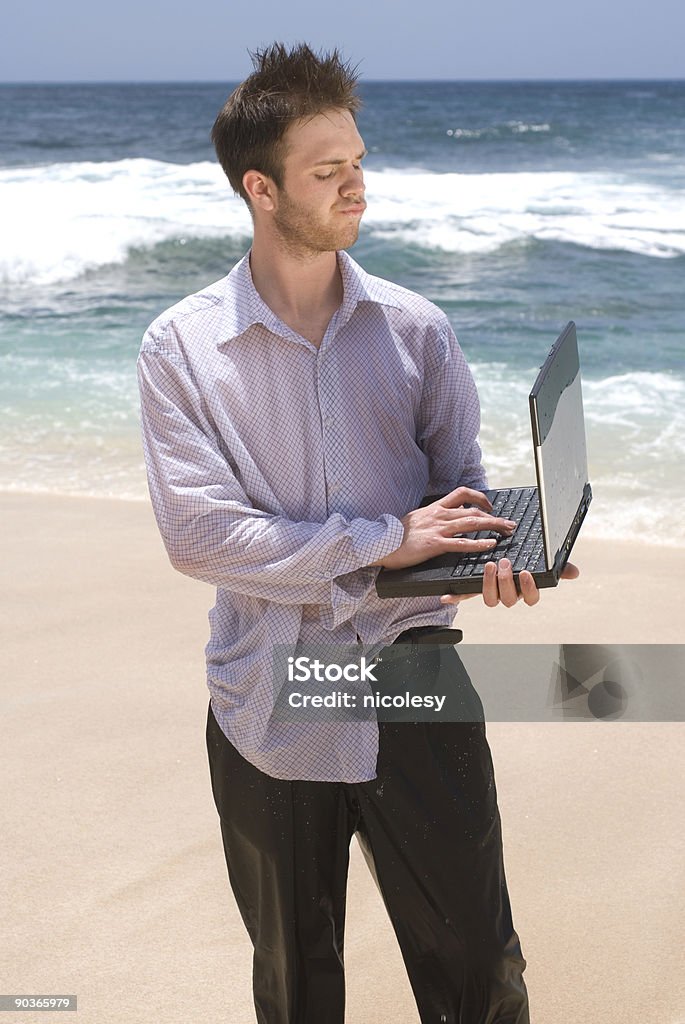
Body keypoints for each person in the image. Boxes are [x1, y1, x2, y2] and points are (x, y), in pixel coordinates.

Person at [137, 43, 578, 1024]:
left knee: (479, 974)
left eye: (360, 163)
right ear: (261, 188)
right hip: (268, 695)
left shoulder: (418, 329)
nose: (356, 189)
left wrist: (493, 559)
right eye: (327, 172)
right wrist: (381, 540)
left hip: (412, 673)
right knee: (297, 985)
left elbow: (451, 500)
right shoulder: (180, 348)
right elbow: (200, 537)